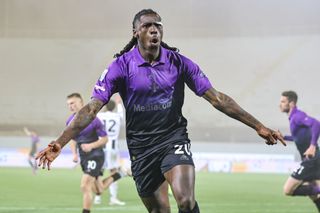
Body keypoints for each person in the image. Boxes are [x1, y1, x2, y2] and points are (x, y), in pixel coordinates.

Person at [37, 9, 286, 213]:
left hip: (173, 138)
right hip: (141, 148)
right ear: (136, 33)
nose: (153, 28)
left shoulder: (180, 62)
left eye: (157, 25)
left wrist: (259, 126)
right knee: (159, 211)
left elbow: (218, 99)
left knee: (186, 201)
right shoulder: (119, 66)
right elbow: (92, 108)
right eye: (146, 25)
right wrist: (61, 141)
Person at [66, 93, 125, 213]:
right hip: (84, 156)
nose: (70, 106)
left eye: (73, 103)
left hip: (96, 155)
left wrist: (90, 146)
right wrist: (74, 154)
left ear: (81, 102)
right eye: (68, 104)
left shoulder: (93, 119)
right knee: (99, 190)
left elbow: (105, 139)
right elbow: (71, 138)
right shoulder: (69, 121)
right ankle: (119, 174)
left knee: (85, 185)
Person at [280, 91, 320, 212]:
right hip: (313, 158)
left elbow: (316, 124)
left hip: (311, 159)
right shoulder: (293, 118)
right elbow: (298, 138)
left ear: (291, 103)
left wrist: (312, 145)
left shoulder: (298, 115)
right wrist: (283, 137)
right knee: (314, 196)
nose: (280, 104)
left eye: (283, 101)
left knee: (288, 190)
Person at [94, 95, 127, 206]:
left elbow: (94, 116)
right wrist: (118, 103)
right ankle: (113, 198)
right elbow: (122, 114)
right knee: (113, 171)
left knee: (99, 172)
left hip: (101, 146)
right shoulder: (117, 116)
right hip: (112, 147)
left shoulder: (100, 115)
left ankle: (97, 197)